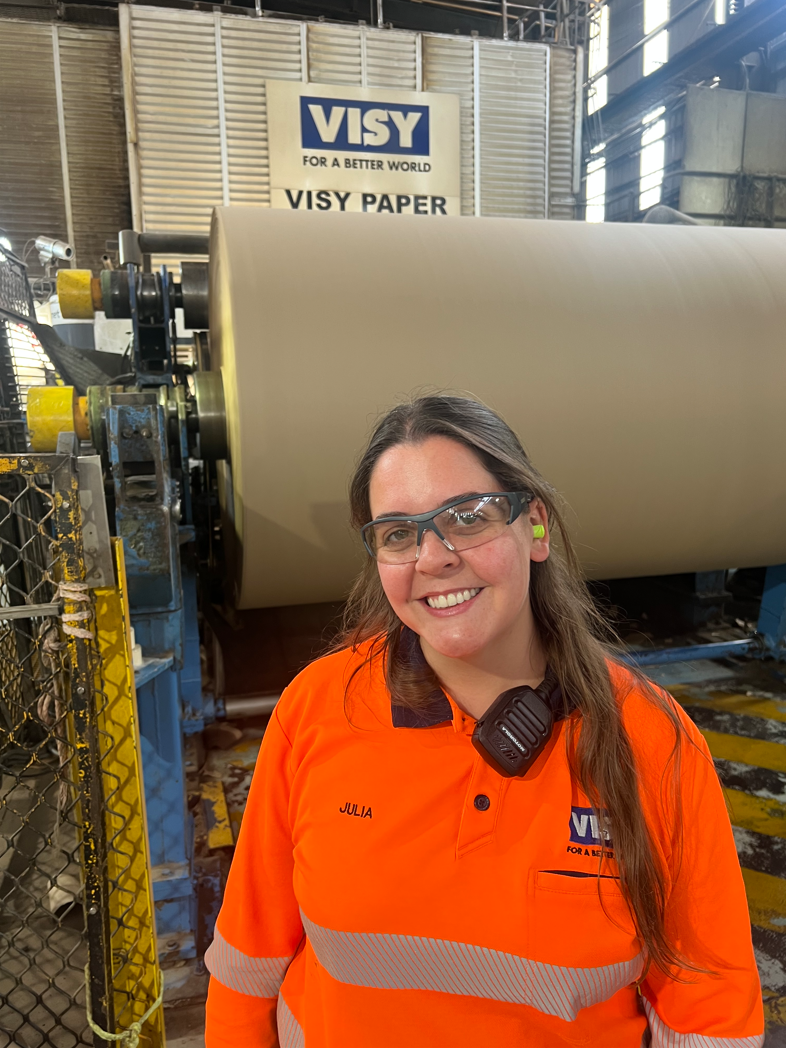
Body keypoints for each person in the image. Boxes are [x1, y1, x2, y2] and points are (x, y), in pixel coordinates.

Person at [204, 394, 763, 1048]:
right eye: (398, 533)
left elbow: (710, 1009)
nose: (433, 556)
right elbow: (246, 966)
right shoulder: (321, 708)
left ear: (535, 527)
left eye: (467, 517)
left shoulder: (649, 740)